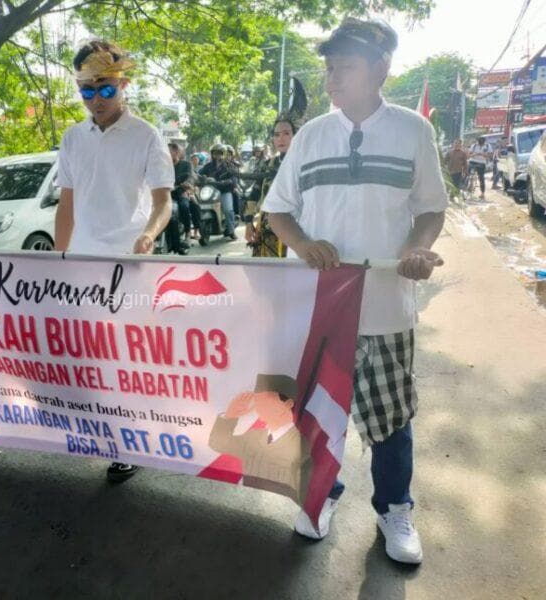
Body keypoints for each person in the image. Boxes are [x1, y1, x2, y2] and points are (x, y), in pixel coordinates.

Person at [264, 17, 447, 565]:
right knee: (321, 415)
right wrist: (303, 244)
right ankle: (322, 497)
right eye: (328, 68)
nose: (330, 79)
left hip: (388, 306)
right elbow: (277, 211)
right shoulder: (313, 135)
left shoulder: (415, 131)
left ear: (380, 68)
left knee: (391, 419)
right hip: (322, 310)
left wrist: (417, 249)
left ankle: (394, 508)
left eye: (342, 67)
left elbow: (431, 209)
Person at [54, 40, 174, 483]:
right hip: (83, 267)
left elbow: (164, 203)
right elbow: (66, 205)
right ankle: (105, 433)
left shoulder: (146, 135)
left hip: (131, 265)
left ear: (124, 85)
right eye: (87, 91)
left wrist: (148, 234)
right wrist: (58, 259)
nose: (96, 100)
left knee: (128, 360)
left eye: (105, 90)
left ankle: (132, 441)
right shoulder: (71, 137)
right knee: (89, 358)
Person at [241, 117, 297, 257]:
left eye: (286, 133)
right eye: (276, 135)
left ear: (295, 136)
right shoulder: (268, 165)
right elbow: (255, 193)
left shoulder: (302, 164)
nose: (281, 139)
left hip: (295, 230)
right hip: (267, 230)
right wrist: (248, 223)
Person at [199, 143, 238, 240]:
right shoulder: (208, 166)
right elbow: (199, 174)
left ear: (224, 154)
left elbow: (233, 179)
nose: (217, 155)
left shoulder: (229, 165)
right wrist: (200, 178)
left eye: (220, 153)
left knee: (228, 209)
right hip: (211, 191)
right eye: (215, 153)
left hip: (224, 190)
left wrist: (223, 182)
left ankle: (231, 230)